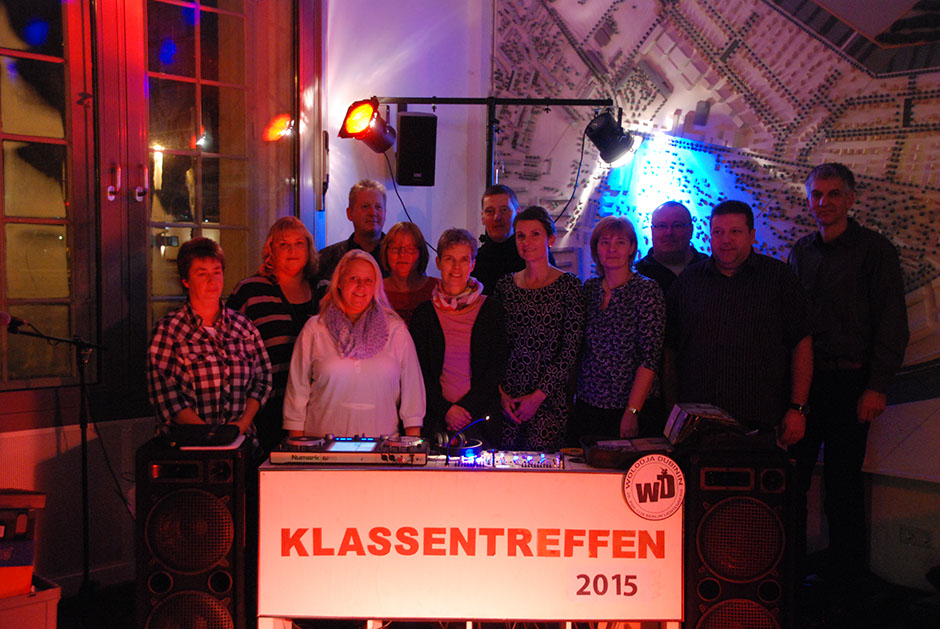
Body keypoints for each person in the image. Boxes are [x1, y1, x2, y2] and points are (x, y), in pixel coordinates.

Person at [788, 163, 909, 607]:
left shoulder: (875, 251)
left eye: (834, 194)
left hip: (852, 383)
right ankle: (790, 575)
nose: (824, 202)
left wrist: (877, 386)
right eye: (817, 194)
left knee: (843, 486)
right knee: (793, 482)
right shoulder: (801, 251)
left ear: (851, 198)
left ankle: (846, 584)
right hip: (805, 384)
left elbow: (891, 322)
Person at [664, 200, 813, 444]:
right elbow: (670, 350)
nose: (726, 240)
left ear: (752, 235)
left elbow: (802, 343)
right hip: (697, 424)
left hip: (762, 420)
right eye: (718, 232)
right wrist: (672, 409)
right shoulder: (688, 281)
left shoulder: (779, 278)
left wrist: (797, 408)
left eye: (735, 231)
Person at [283, 250, 425, 438]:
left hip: (382, 447)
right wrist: (297, 446)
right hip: (322, 446)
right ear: (339, 282)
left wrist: (412, 443)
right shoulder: (315, 329)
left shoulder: (395, 331)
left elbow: (413, 393)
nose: (361, 286)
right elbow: (297, 391)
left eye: (368, 280)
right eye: (353, 278)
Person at [148, 237, 272, 435]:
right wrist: (211, 436)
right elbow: (167, 396)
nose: (212, 280)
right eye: (202, 273)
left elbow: (263, 378)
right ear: (186, 281)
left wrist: (242, 424)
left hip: (240, 440)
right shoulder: (168, 331)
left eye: (217, 272)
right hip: (188, 444)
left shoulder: (243, 327)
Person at [494, 206, 583, 452]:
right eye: (520, 236)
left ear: (550, 239)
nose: (526, 242)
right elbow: (495, 345)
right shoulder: (505, 286)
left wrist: (538, 397)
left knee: (542, 469)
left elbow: (570, 350)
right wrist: (500, 393)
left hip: (548, 400)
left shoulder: (569, 286)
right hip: (508, 398)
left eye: (535, 234)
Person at [227, 217, 318, 453]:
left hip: (317, 409)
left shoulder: (323, 290)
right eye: (283, 244)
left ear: (309, 249)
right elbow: (227, 344)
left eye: (299, 243)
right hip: (266, 408)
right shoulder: (250, 291)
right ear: (270, 251)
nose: (292, 250)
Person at [571, 216, 665, 445]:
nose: (612, 248)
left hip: (631, 408)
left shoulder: (647, 291)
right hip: (589, 406)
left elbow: (650, 358)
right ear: (596, 248)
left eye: (620, 242)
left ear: (631, 247)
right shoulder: (589, 290)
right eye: (605, 242)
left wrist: (632, 411)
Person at [410, 228, 508, 447]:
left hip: (480, 419)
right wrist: (446, 410)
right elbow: (418, 372)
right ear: (438, 262)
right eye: (449, 259)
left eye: (464, 260)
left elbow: (497, 367)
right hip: (435, 420)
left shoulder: (491, 309)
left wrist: (466, 409)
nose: (456, 267)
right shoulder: (424, 314)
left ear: (473, 264)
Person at [471, 184, 554, 294]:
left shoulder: (533, 255)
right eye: (490, 211)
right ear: (483, 218)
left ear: (517, 213)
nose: (497, 217)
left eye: (504, 210)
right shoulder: (473, 261)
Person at [317, 179, 388, 289]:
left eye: (378, 207)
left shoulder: (398, 260)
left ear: (385, 213)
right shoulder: (325, 259)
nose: (373, 212)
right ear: (350, 213)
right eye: (365, 206)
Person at [636, 201, 708, 293]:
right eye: (662, 226)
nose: (669, 232)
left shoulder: (711, 269)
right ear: (652, 231)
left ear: (691, 230)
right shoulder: (634, 275)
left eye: (677, 225)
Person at [380, 221, 436, 324]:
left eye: (410, 249)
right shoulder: (376, 290)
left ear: (421, 253)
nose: (402, 254)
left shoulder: (437, 289)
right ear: (385, 252)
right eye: (395, 248)